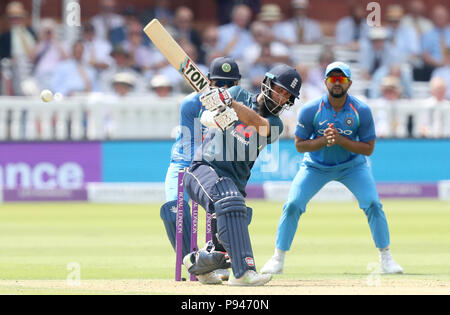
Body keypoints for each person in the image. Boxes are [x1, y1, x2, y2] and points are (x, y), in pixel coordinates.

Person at [260, 62, 403, 275]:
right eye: (333, 79)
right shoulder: (311, 109)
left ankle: (386, 258)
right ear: (325, 81)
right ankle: (278, 258)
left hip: (352, 166)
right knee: (292, 205)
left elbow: (368, 149)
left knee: (373, 204)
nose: (337, 83)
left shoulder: (360, 110)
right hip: (315, 165)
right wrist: (324, 141)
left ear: (349, 83)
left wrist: (340, 140)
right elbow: (300, 145)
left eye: (341, 79)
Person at [181, 64, 302, 286]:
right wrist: (216, 116)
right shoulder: (237, 93)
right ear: (267, 83)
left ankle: (196, 263)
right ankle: (244, 273)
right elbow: (207, 114)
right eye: (279, 89)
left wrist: (230, 106)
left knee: (225, 252)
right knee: (232, 200)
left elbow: (258, 124)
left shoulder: (276, 125)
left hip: (232, 185)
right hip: (203, 169)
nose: (281, 97)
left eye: (287, 96)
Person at [160, 57, 242, 284]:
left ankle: (220, 260)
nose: (224, 89)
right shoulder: (192, 104)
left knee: (235, 209)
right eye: (219, 84)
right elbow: (190, 143)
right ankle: (196, 265)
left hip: (217, 164)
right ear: (208, 82)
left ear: (238, 83)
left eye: (230, 84)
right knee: (173, 211)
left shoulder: (241, 107)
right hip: (184, 162)